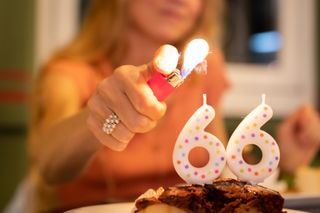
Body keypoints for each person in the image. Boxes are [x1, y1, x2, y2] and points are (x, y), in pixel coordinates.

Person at [26, 0, 228, 212]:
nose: (181, 1)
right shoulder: (68, 75)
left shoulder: (206, 71)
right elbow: (49, 168)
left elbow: (220, 167)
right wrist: (98, 117)